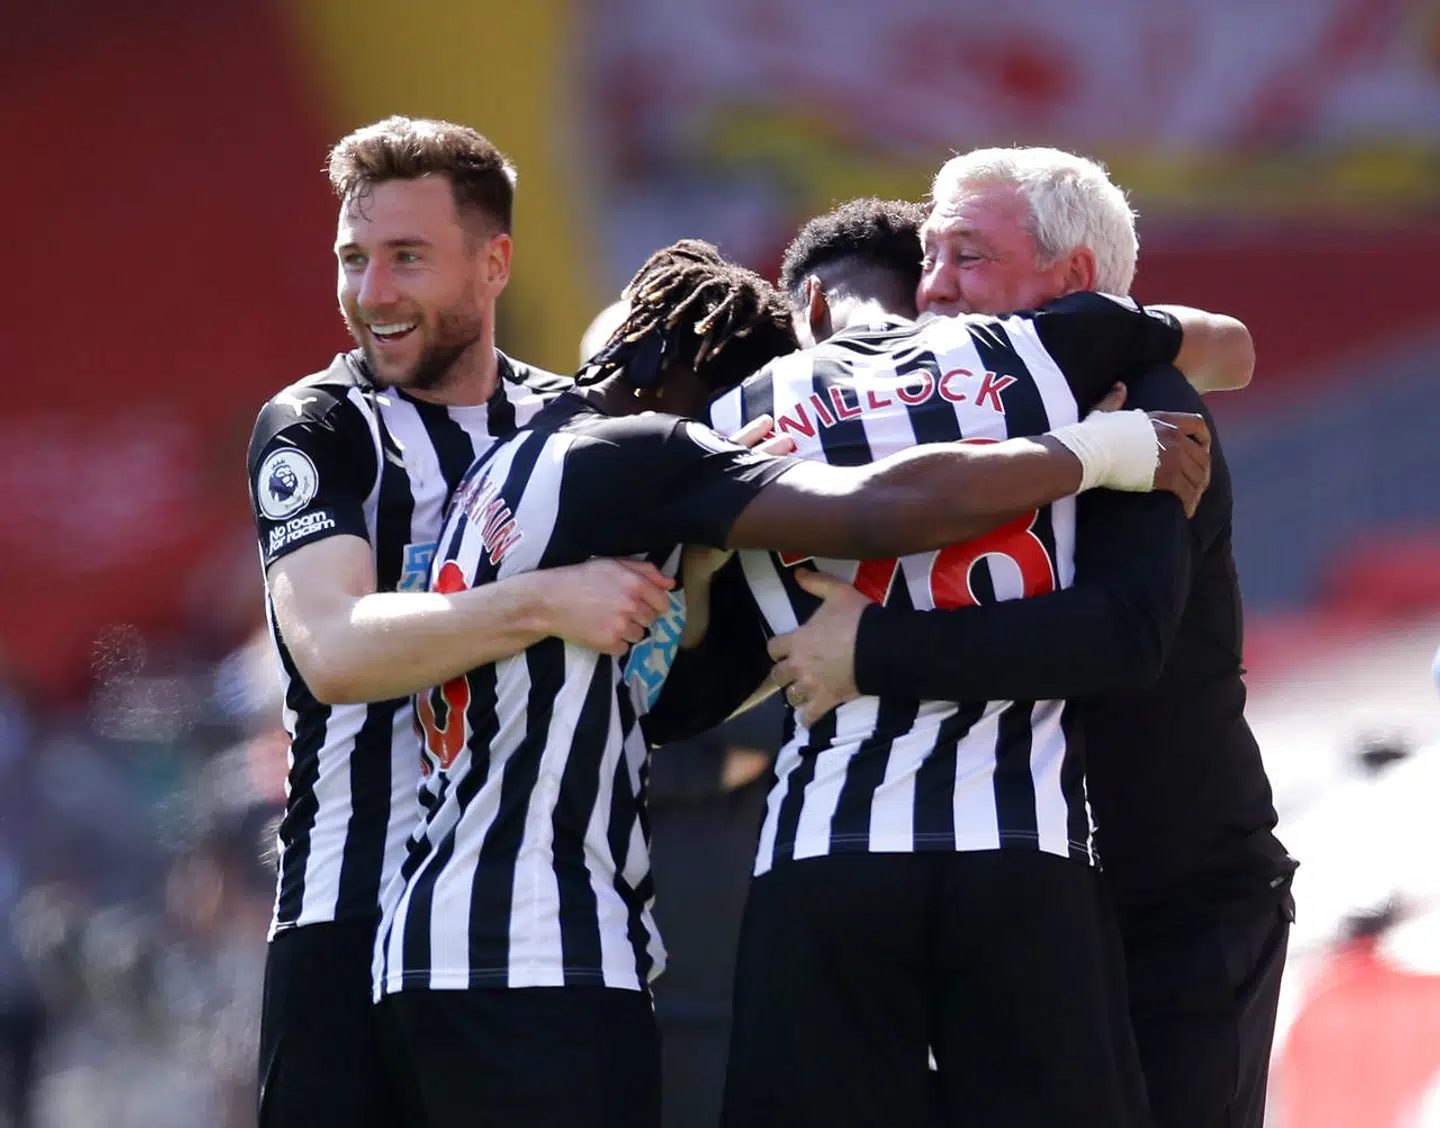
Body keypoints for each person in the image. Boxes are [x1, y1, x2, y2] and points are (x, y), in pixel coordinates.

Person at [372, 239, 1213, 1128]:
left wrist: (700, 571)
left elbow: (667, 704)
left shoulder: (499, 465)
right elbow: (879, 509)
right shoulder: (656, 452)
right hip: (544, 938)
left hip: (437, 930)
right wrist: (1102, 447)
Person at [769, 152, 1296, 1128]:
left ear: (1075, 282)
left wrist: (869, 652)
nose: (934, 287)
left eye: (968, 256)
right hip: (1010, 895)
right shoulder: (909, 434)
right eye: (930, 254)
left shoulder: (1145, 403)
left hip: (1173, 902)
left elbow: (1121, 637)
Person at [245, 116, 680, 1128]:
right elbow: (335, 653)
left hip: (530, 933)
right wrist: (538, 601)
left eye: (406, 258)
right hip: (345, 915)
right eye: (354, 260)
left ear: (495, 265)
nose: (372, 293)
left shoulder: (573, 427)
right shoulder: (318, 425)